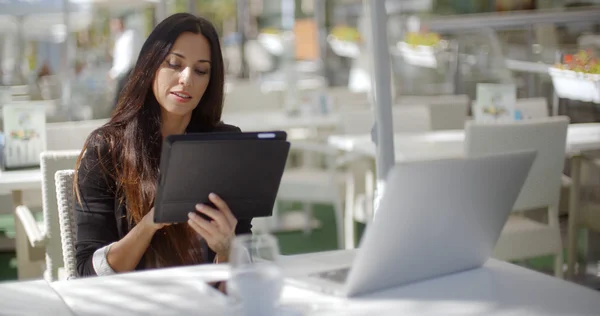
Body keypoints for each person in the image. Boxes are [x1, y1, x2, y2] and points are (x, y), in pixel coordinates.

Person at [74, 13, 252, 280]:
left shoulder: (224, 146)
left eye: (201, 70)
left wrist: (227, 251)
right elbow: (87, 273)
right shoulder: (106, 148)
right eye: (174, 64)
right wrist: (149, 224)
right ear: (151, 65)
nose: (187, 78)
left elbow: (241, 277)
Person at [108, 15, 138, 108]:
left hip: (128, 74)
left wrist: (113, 73)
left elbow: (127, 60)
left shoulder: (129, 36)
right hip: (123, 74)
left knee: (121, 104)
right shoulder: (120, 38)